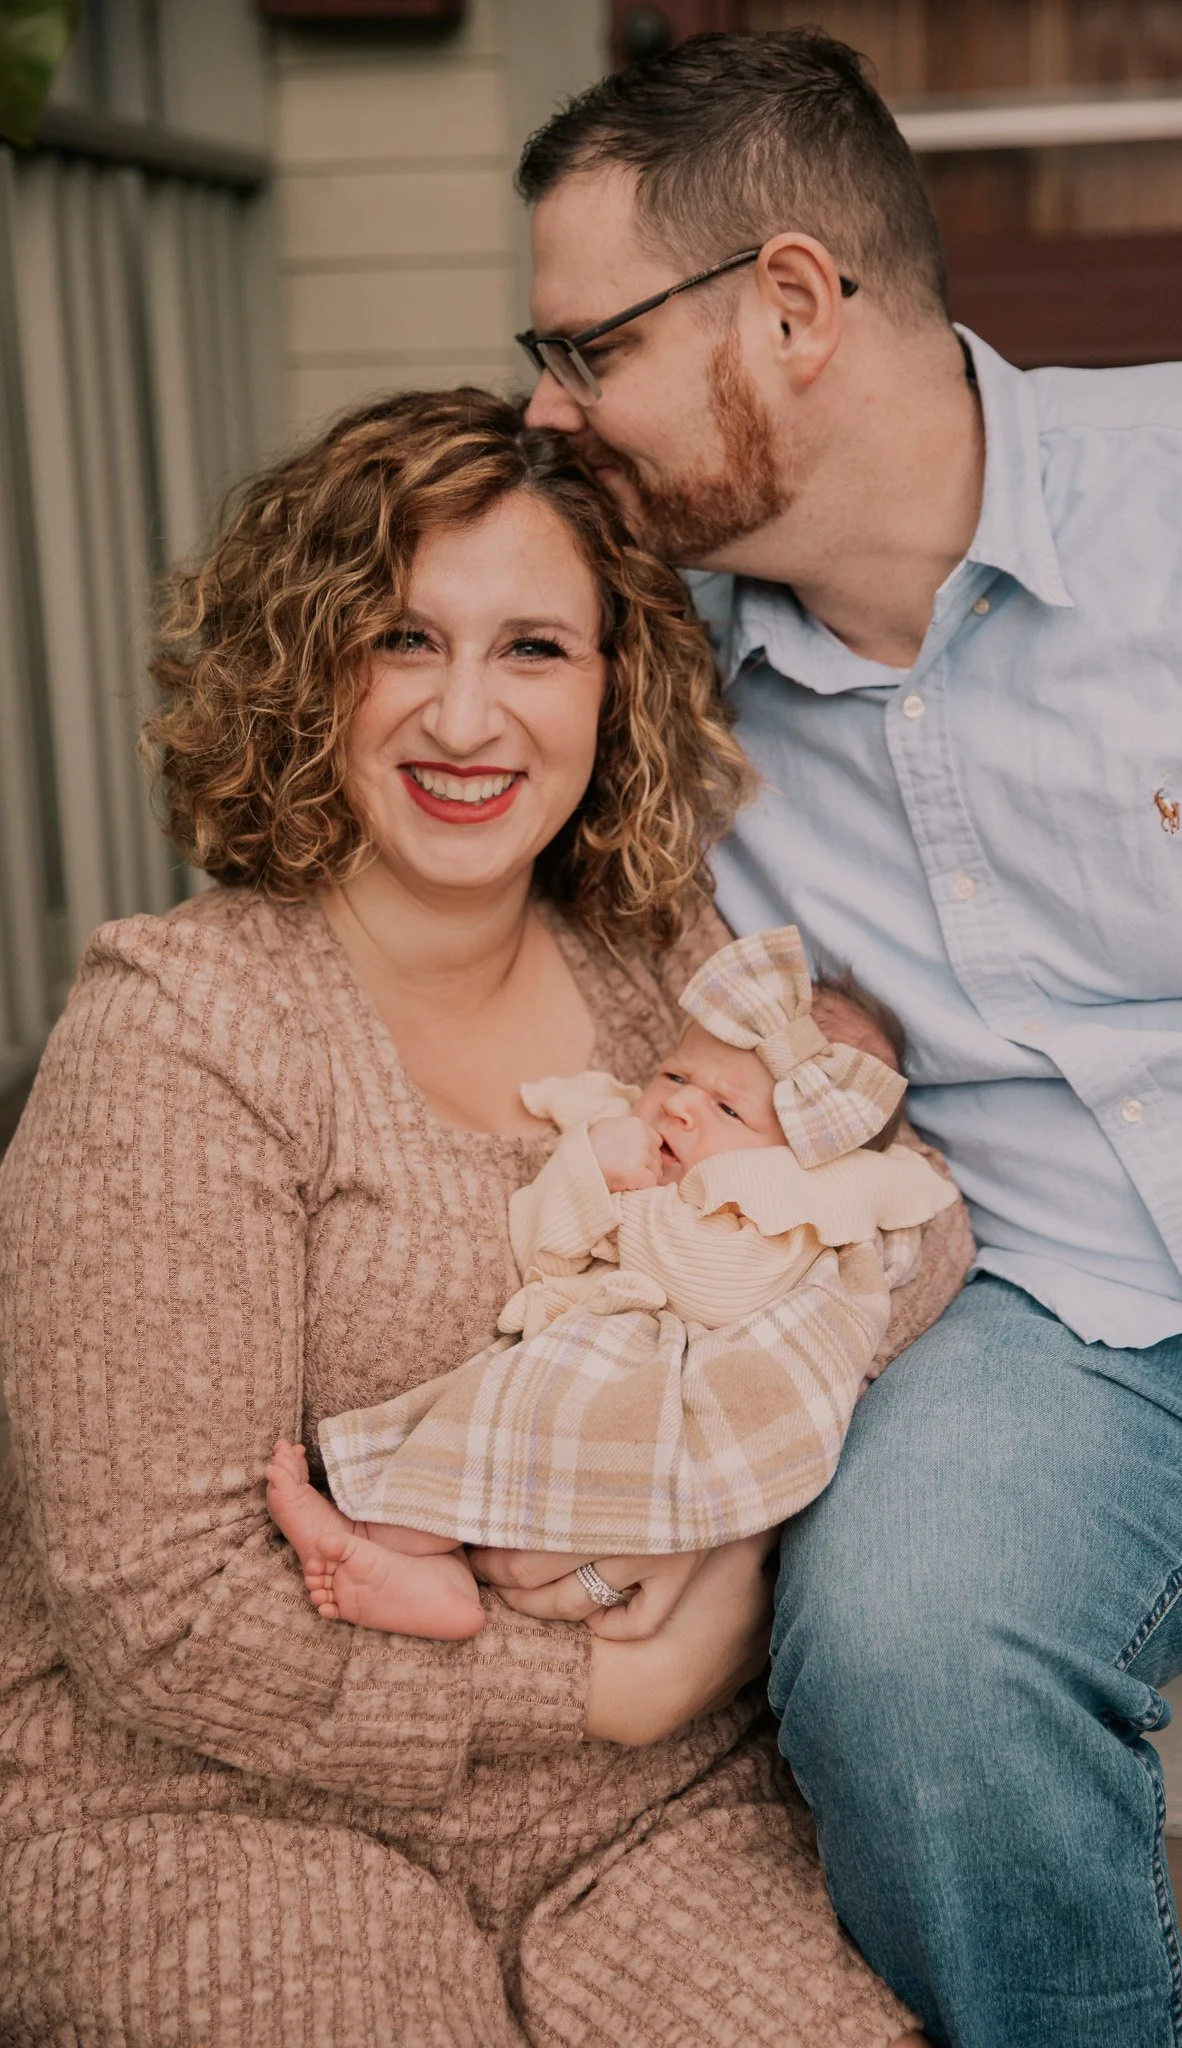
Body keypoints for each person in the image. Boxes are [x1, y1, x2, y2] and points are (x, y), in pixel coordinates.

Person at [512, 27, 1182, 2048]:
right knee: (906, 1641)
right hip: (1078, 1317)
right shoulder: (662, 678)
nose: (547, 415)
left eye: (582, 350)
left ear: (792, 303)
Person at [0, 388, 971, 2046]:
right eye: (400, 640)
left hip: (645, 1814)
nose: (466, 717)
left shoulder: (661, 975)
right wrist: (612, 1680)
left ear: (616, 685)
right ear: (309, 669)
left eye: (533, 647)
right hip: (212, 1805)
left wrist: (727, 1554)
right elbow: (160, 1607)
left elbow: (901, 1236)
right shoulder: (185, 1025)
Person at [265, 924, 958, 1641]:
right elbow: (539, 1241)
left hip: (681, 1412)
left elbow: (714, 1291)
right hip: (610, 1374)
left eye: (727, 1109)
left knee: (512, 1413)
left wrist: (623, 1202)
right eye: (676, 1075)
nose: (678, 1106)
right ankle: (426, 1573)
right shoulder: (638, 1135)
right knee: (486, 1414)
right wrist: (588, 1169)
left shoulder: (794, 1206)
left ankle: (400, 1545)